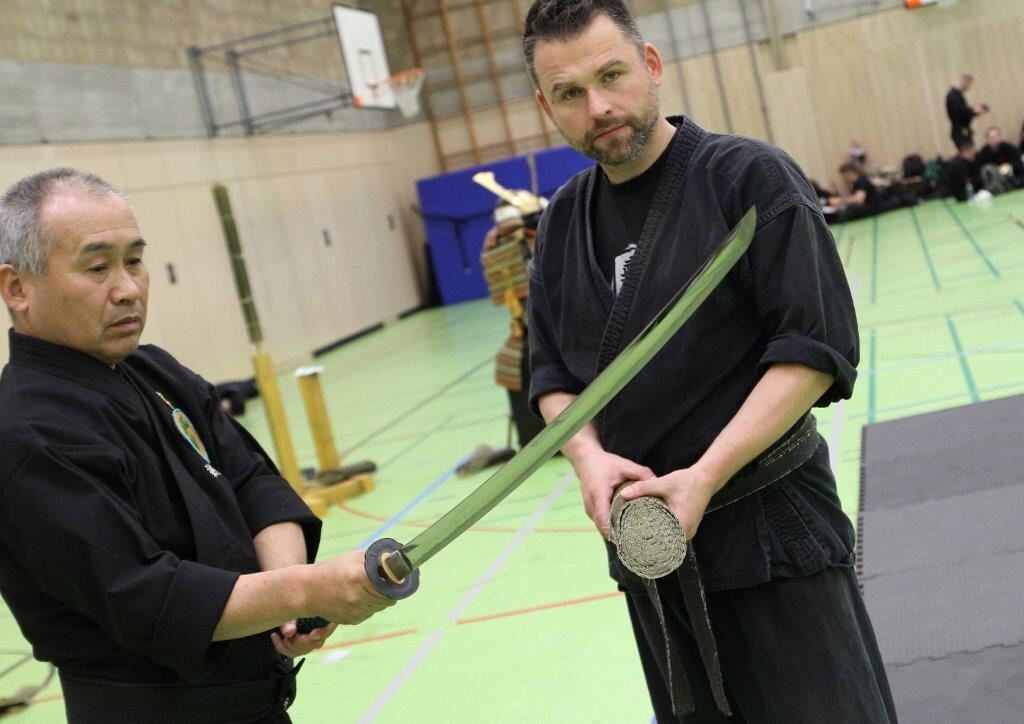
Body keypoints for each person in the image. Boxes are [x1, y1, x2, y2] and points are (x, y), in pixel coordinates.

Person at [522, 1, 895, 721]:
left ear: (651, 66)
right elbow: (551, 379)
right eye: (570, 93)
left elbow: (813, 350)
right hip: (653, 555)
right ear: (547, 106)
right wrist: (588, 459)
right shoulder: (563, 223)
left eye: (612, 76)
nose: (598, 107)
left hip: (772, 530)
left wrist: (705, 475)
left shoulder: (748, 179)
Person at [0, 168, 395, 723]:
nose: (128, 288)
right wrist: (304, 591)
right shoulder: (26, 435)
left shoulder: (153, 370)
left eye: (134, 261)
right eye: (97, 267)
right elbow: (150, 598)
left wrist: (285, 600)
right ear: (17, 288)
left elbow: (252, 481)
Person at [945, 73, 988, 149]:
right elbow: (961, 113)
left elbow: (962, 110)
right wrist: (974, 111)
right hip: (960, 131)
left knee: (969, 155)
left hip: (961, 131)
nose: (969, 87)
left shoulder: (956, 95)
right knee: (968, 156)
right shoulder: (954, 96)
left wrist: (973, 110)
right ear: (964, 83)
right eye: (969, 85)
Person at [975, 126, 1024, 191]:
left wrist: (1010, 166)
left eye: (995, 137)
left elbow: (1018, 158)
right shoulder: (983, 153)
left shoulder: (1007, 147)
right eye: (991, 138)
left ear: (999, 137)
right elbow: (981, 170)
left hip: (1011, 175)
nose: (994, 140)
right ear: (987, 139)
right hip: (994, 180)